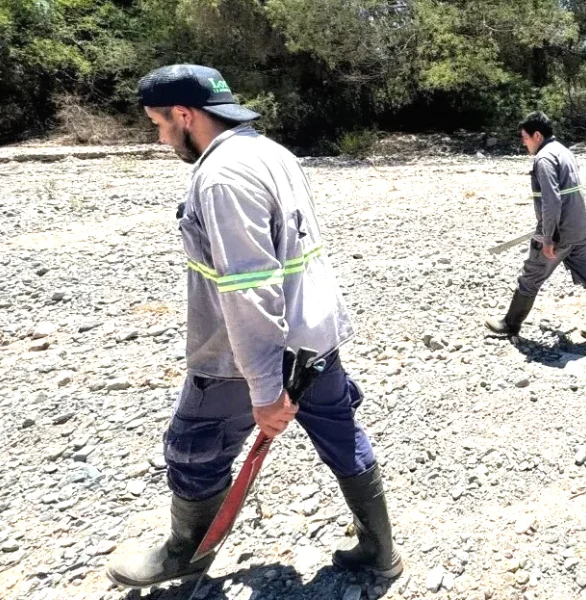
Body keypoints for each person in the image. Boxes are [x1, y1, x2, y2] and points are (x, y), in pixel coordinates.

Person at [106, 64, 402, 588]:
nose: (159, 136)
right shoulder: (272, 152)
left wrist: (265, 391)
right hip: (316, 338)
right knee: (340, 433)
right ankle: (380, 551)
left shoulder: (220, 176)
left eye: (159, 123)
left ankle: (185, 553)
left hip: (245, 358)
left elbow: (249, 289)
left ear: (184, 114)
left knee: (193, 447)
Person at [485, 111, 586, 340]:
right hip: (579, 230)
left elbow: (552, 200)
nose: (523, 142)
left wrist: (548, 237)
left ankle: (509, 324)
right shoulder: (564, 152)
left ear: (537, 135)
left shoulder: (544, 158)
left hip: (559, 234)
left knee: (531, 276)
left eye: (524, 137)